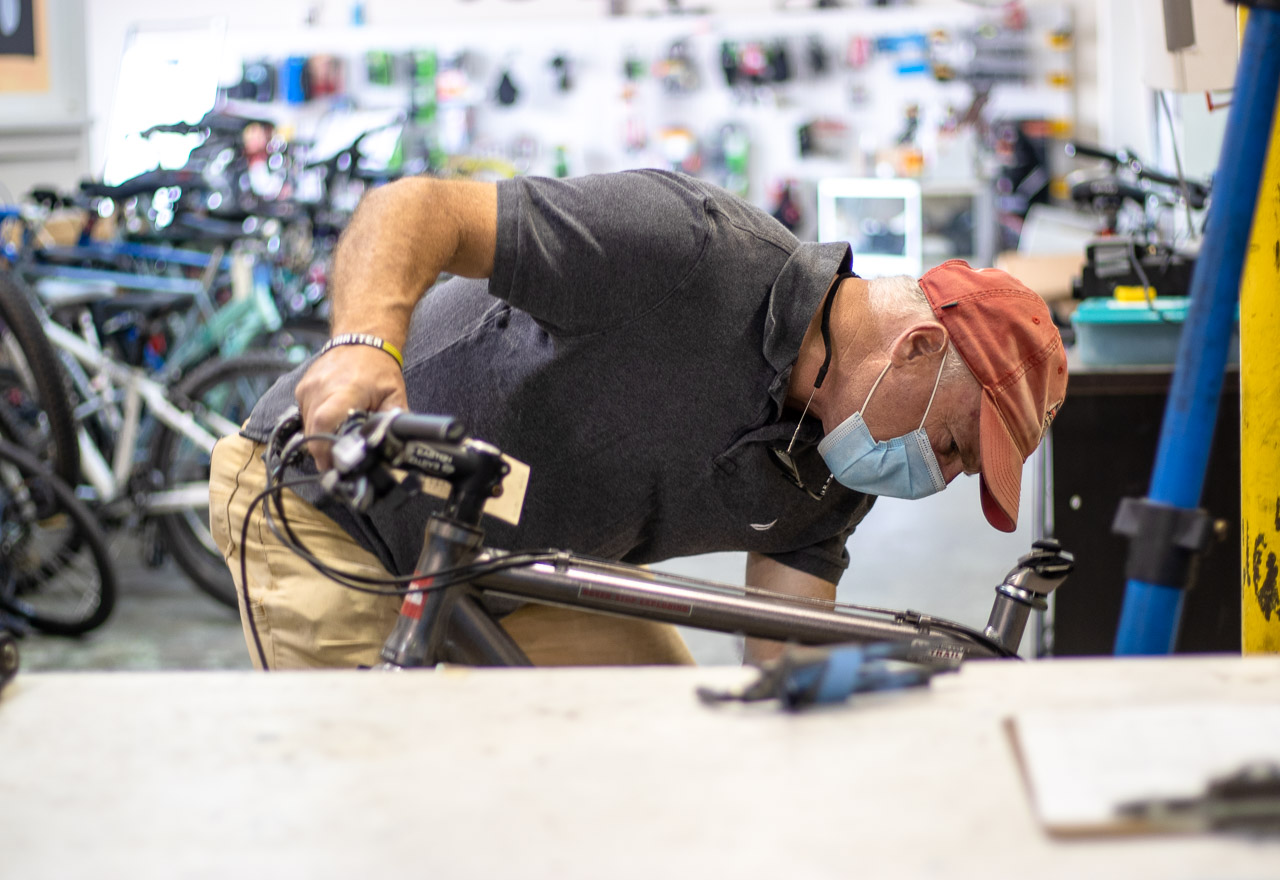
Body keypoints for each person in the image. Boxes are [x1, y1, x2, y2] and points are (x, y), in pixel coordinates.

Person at [209, 169, 1067, 670]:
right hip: (337, 512)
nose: (941, 475)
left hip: (520, 559)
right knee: (380, 800)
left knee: (656, 752)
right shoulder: (687, 252)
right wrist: (363, 346)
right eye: (954, 446)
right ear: (915, 349)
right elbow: (417, 208)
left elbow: (782, 657)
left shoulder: (838, 462)